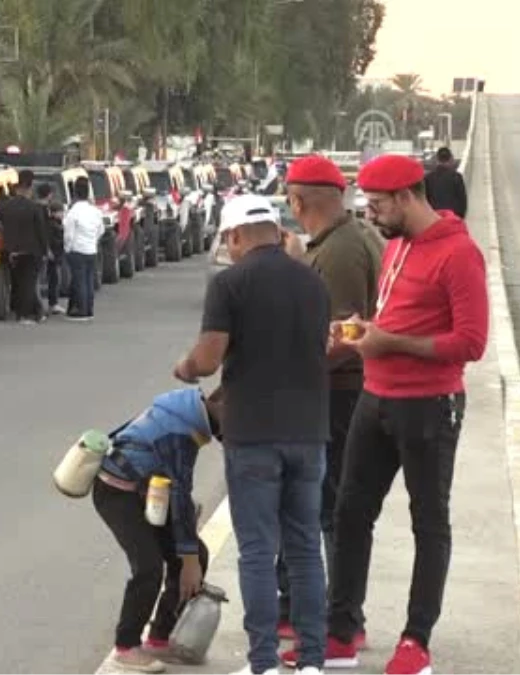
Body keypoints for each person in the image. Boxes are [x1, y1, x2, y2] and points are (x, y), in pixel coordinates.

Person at [286, 153, 488, 675]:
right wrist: (357, 331)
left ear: (406, 197)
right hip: (375, 397)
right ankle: (342, 630)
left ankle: (415, 641)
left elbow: (471, 341)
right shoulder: (397, 245)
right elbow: (387, 319)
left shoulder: (459, 253)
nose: (370, 214)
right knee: (351, 513)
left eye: (377, 205)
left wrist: (390, 341)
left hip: (429, 404)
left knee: (429, 521)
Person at [174, 194, 331, 675]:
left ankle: (263, 662)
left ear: (237, 234)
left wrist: (184, 368)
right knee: (305, 546)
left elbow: (207, 359)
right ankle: (311, 661)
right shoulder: (313, 282)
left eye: (228, 239)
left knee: (259, 551)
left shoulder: (230, 284)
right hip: (309, 433)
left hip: (254, 436)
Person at [272, 155, 384, 646]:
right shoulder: (346, 239)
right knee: (320, 504)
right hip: (343, 392)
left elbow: (343, 336)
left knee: (331, 509)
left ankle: (340, 619)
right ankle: (304, 607)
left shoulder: (338, 253)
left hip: (340, 395)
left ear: (298, 201)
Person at [94, 387, 219, 673]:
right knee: (149, 566)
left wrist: (189, 557)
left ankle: (160, 638)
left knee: (195, 554)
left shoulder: (189, 412)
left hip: (149, 491)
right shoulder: (180, 432)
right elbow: (181, 495)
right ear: (220, 408)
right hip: (116, 494)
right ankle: (126, 646)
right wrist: (187, 561)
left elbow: (177, 495)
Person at [0, 170, 50, 324]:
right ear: (29, 190)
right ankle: (24, 315)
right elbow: (41, 231)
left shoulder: (5, 206)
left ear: (16, 189)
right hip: (31, 251)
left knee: (17, 282)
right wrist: (45, 251)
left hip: (12, 250)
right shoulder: (34, 208)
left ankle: (20, 311)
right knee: (29, 284)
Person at [62, 177, 102, 321]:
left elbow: (68, 233)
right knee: (89, 280)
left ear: (75, 193)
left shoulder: (73, 212)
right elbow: (101, 230)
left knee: (79, 280)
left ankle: (81, 309)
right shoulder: (95, 211)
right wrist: (93, 241)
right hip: (91, 249)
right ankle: (89, 308)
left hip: (77, 249)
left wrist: (68, 248)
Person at [35, 183, 66, 315]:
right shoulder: (45, 213)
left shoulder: (36, 209)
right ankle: (45, 306)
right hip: (48, 252)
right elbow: (45, 233)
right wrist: (48, 250)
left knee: (41, 278)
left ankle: (42, 305)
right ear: (49, 195)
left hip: (42, 250)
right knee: (49, 278)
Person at [423, 147, 467, 218]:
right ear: (450, 159)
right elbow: (462, 202)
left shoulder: (428, 178)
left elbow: (425, 201)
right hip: (452, 219)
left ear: (437, 159)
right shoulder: (456, 177)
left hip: (434, 219)